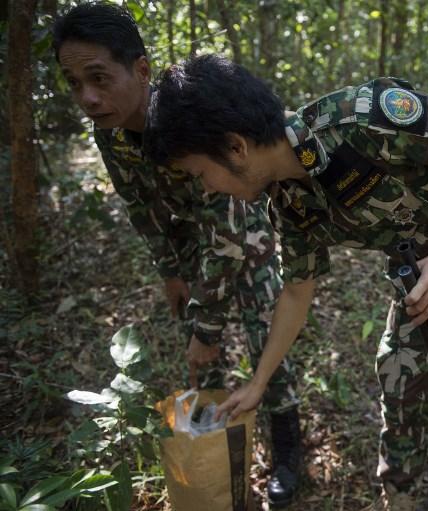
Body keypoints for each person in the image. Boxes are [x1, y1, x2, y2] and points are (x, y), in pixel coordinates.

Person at [142, 54, 428, 510]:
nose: (207, 189)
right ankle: (399, 497)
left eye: (200, 174)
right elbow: (297, 290)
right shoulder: (288, 200)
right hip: (422, 280)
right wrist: (258, 383)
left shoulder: (364, 117)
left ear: (235, 147)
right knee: (399, 375)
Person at [52, 4, 302, 506]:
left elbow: (228, 235)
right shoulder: (109, 131)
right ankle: (212, 441)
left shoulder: (190, 112)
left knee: (262, 330)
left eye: (99, 78)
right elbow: (139, 205)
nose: (88, 97)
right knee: (197, 346)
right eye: (74, 83)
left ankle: (288, 445)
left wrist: (207, 329)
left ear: (141, 69)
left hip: (240, 230)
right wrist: (170, 271)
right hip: (188, 240)